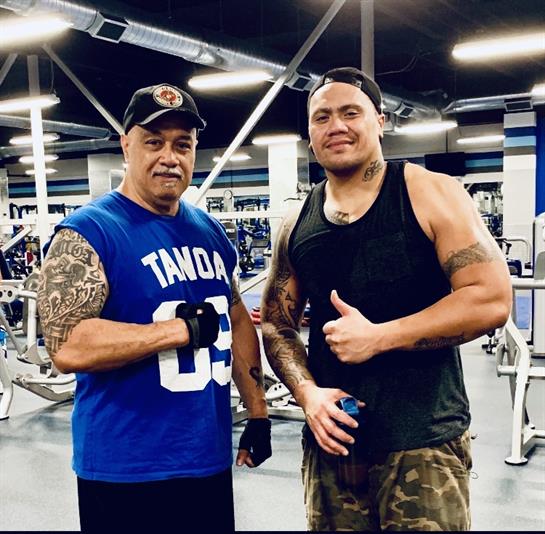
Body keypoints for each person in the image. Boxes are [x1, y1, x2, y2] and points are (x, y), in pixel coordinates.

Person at [260, 66, 512, 531]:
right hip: (333, 445)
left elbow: (490, 298)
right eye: (322, 117)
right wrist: (308, 395)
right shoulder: (297, 222)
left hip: (422, 444)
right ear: (310, 135)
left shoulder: (430, 192)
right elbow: (277, 323)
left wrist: (380, 337)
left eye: (350, 112)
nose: (336, 126)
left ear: (380, 121)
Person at [36, 83, 271, 533]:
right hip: (125, 470)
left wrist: (257, 411)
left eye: (183, 145)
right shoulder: (88, 232)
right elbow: (67, 346)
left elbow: (236, 315)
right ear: (126, 146)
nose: (170, 157)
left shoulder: (210, 232)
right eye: (154, 142)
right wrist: (176, 332)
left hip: (207, 460)